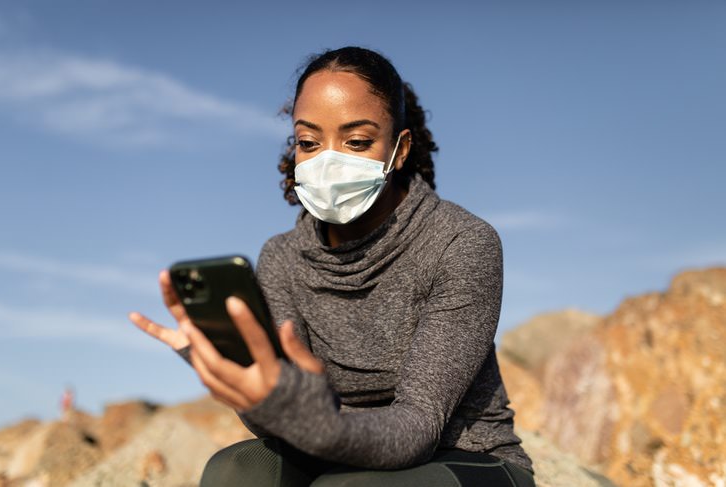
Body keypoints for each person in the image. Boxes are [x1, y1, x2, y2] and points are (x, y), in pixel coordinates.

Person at [130, 46, 536, 487]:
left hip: (463, 456)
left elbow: (417, 429)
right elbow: (280, 420)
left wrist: (313, 421)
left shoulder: (461, 242)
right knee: (234, 472)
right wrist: (243, 378)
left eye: (356, 141)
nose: (328, 161)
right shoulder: (282, 258)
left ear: (399, 150)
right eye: (309, 142)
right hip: (334, 450)